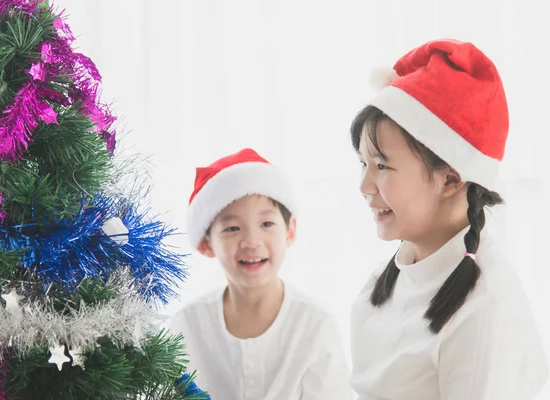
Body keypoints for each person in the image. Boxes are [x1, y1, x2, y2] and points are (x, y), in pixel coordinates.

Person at [349, 38, 549, 399]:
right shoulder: (384, 279)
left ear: (451, 179)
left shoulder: (484, 307)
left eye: (382, 166)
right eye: (363, 163)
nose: (364, 185)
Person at [169, 148, 353, 400]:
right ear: (206, 243)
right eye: (232, 228)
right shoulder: (187, 324)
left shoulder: (316, 324)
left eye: (266, 224)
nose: (251, 242)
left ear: (290, 231)